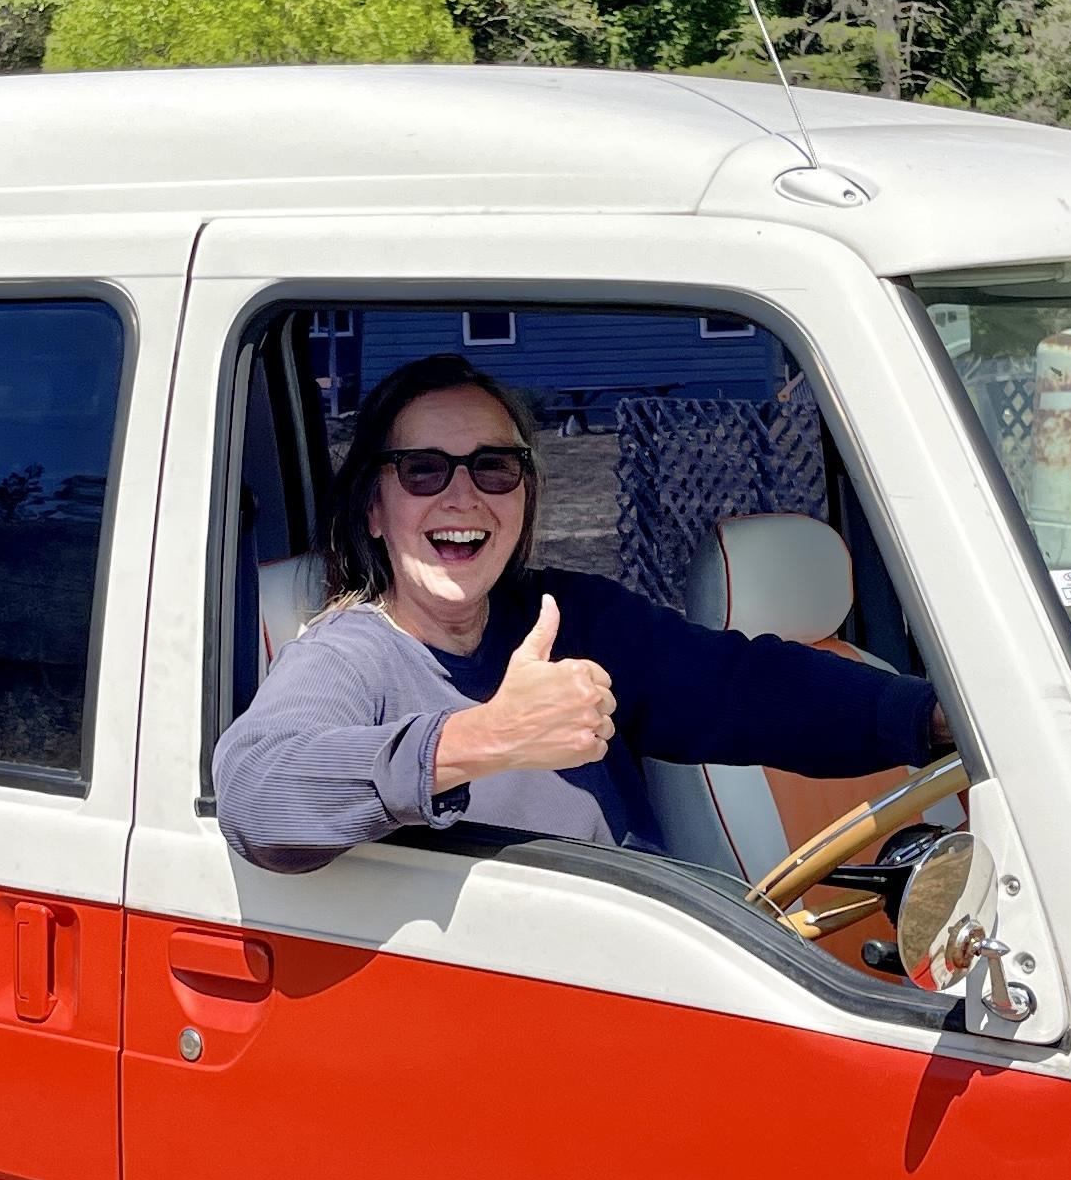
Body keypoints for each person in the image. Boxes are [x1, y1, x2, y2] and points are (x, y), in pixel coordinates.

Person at [214, 356, 947, 875]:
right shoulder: (350, 654)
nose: (463, 496)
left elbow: (741, 688)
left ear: (524, 497)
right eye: (423, 470)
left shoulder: (572, 619)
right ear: (374, 510)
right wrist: (483, 739)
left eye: (494, 467)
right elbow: (255, 792)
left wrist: (934, 720)